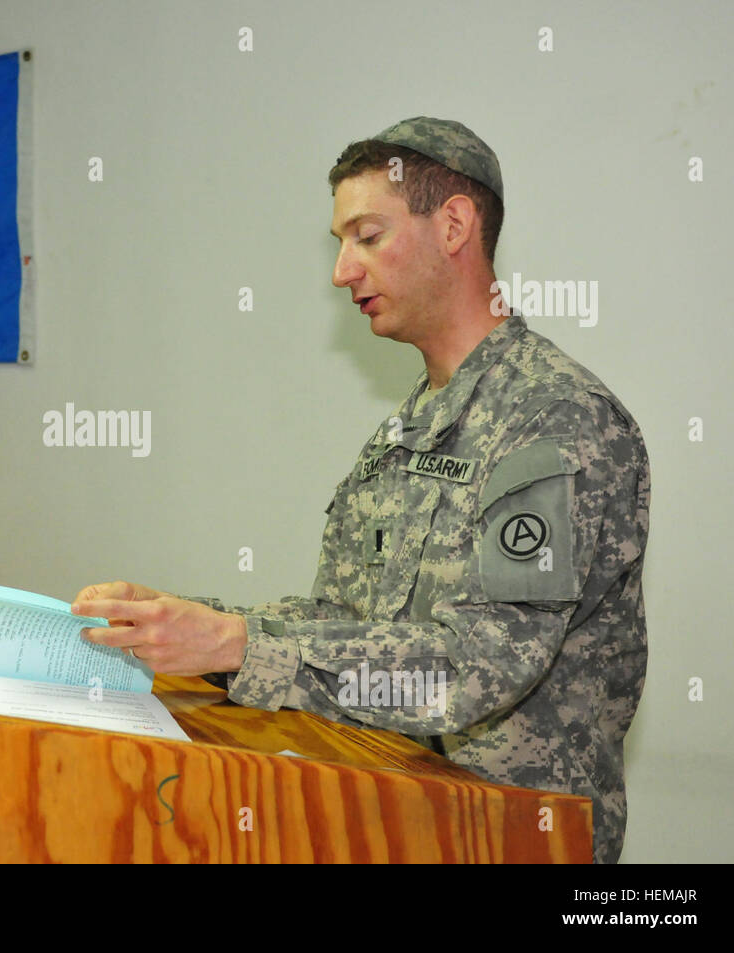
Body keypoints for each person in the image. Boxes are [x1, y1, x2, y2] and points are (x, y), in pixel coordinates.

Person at [70, 117, 650, 864]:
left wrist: (236, 644)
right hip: (392, 823)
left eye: (367, 236)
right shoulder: (405, 433)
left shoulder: (552, 419)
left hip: (513, 842)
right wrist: (182, 625)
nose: (342, 270)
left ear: (454, 225)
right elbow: (343, 620)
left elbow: (477, 667)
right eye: (340, 243)